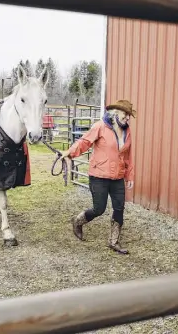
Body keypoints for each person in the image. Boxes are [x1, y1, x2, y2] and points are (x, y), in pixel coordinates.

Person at [60, 100, 136, 254]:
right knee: (99, 209)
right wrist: (70, 153)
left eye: (129, 115)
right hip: (99, 175)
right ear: (115, 112)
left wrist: (129, 176)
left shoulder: (127, 132)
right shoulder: (100, 126)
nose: (128, 118)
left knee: (119, 208)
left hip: (118, 176)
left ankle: (114, 241)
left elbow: (128, 156)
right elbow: (84, 142)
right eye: (125, 114)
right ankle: (77, 221)